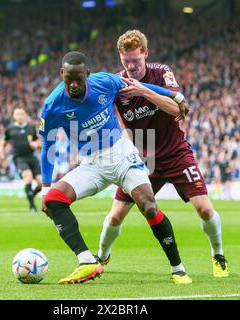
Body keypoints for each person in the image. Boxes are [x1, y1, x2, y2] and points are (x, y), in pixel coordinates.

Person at [39, 51, 192, 284]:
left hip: (121, 156)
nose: (73, 83)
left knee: (148, 206)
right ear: (61, 73)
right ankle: (87, 262)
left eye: (78, 78)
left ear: (87, 75)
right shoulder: (52, 106)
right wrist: (45, 187)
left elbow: (137, 85)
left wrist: (176, 95)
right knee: (53, 200)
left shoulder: (105, 82)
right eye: (68, 77)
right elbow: (47, 145)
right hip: (91, 165)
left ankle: (178, 268)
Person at [96, 30, 229, 277]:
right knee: (115, 216)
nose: (132, 66)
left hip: (175, 152)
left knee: (205, 210)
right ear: (120, 58)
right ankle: (101, 257)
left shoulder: (162, 73)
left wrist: (143, 91)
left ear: (145, 53)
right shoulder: (115, 84)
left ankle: (218, 254)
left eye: (136, 60)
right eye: (126, 62)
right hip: (142, 159)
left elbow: (177, 109)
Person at [1, 108, 42, 212]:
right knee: (28, 177)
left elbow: (38, 140)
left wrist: (37, 144)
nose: (20, 116)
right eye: (17, 114)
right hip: (19, 158)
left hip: (31, 157)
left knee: (42, 183)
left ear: (25, 116)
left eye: (22, 114)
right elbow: (3, 143)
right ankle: (32, 206)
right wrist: (2, 155)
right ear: (14, 116)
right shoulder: (10, 129)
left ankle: (31, 194)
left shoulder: (31, 127)